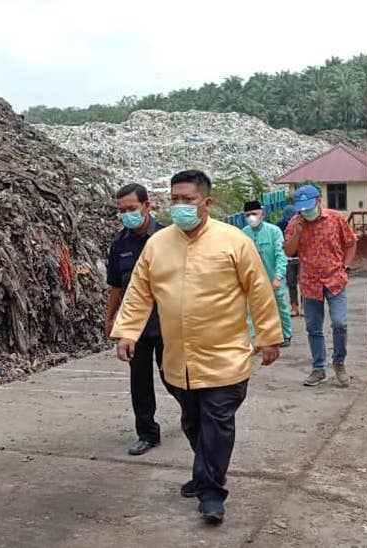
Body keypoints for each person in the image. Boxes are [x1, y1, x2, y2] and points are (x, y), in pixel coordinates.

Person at [112, 170, 282, 525]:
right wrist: (127, 331)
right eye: (174, 199)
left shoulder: (233, 241)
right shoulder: (158, 245)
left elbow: (259, 290)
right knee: (193, 421)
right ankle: (205, 471)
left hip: (225, 357)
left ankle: (211, 491)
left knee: (217, 421)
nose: (179, 206)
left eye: (187, 200)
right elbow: (140, 291)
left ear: (206, 203)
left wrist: (268, 336)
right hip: (178, 360)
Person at [104, 183, 165, 456]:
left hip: (168, 322)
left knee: (176, 378)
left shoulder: (167, 237)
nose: (127, 214)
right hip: (135, 325)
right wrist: (110, 319)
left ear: (147, 205)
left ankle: (195, 422)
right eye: (122, 210)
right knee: (139, 382)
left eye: (131, 208)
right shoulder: (119, 244)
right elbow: (116, 286)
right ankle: (147, 433)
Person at [283, 183, 358, 387]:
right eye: (302, 208)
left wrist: (346, 267)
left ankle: (339, 362)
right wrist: (298, 231)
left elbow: (351, 243)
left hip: (335, 280)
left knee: (339, 323)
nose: (306, 211)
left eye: (310, 206)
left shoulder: (336, 218)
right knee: (313, 328)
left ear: (319, 201)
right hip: (309, 283)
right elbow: (288, 252)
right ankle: (318, 368)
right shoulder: (294, 223)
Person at [242, 200, 292, 347]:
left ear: (262, 214)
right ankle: (256, 336)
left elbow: (280, 255)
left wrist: (278, 277)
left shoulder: (274, 231)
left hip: (272, 276)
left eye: (254, 214)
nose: (251, 217)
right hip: (253, 278)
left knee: (280, 304)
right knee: (252, 307)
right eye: (248, 215)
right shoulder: (244, 234)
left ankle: (285, 334)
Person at [278, 205, 301, 317]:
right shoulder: (280, 225)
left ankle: (305, 307)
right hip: (288, 258)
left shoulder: (301, 223)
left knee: (304, 283)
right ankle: (294, 307)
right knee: (291, 283)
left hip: (301, 258)